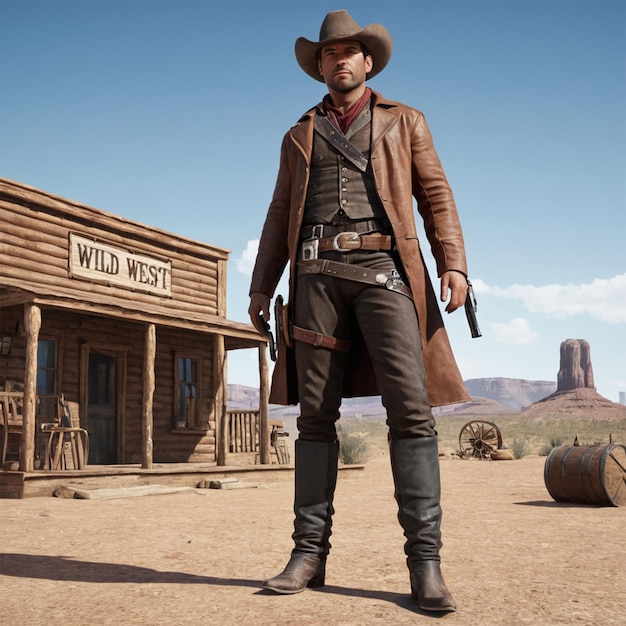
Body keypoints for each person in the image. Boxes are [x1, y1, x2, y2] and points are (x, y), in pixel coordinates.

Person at [248, 10, 470, 613]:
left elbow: (435, 194)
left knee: (411, 411)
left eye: (350, 51)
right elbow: (277, 216)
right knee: (315, 418)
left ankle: (426, 565)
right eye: (329, 53)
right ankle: (307, 555)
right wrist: (260, 287)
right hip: (315, 279)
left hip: (386, 275)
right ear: (319, 66)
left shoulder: (406, 121)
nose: (339, 60)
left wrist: (454, 262)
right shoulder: (298, 135)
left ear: (367, 62)